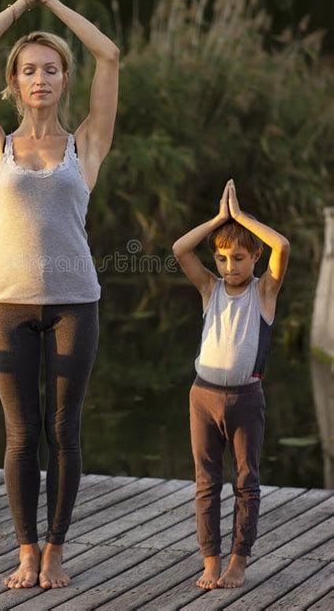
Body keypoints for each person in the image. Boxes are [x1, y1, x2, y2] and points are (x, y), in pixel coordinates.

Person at [0, 0, 119, 590]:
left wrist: (54, 6)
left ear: (63, 79)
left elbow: (110, 55)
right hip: (7, 303)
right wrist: (19, 7)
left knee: (64, 431)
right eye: (29, 70)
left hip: (75, 302)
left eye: (51, 69)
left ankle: (56, 548)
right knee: (22, 436)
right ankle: (25, 550)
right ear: (15, 81)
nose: (41, 80)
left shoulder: (87, 144)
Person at [172, 179, 290, 590]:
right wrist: (219, 220)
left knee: (245, 481)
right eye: (222, 259)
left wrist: (241, 218)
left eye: (238, 258)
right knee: (206, 483)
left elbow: (284, 248)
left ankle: (238, 562)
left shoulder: (265, 292)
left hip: (246, 398)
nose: (229, 267)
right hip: (203, 397)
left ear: (255, 255)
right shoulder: (211, 289)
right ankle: (210, 561)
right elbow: (180, 250)